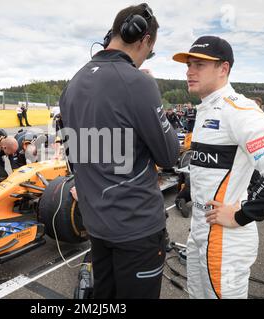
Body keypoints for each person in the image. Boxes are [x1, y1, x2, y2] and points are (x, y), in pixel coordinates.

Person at [60, 3, 179, 299]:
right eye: (149, 51)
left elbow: (76, 157)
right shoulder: (139, 83)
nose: (144, 58)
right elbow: (169, 156)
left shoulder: (72, 84)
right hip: (136, 228)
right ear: (143, 40)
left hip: (96, 225)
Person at [172, 35, 264, 299]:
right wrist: (189, 192)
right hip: (199, 234)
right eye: (188, 64)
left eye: (199, 64)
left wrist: (241, 214)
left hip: (225, 240)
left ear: (223, 68)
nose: (189, 71)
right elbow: (212, 169)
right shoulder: (206, 109)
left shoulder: (238, 110)